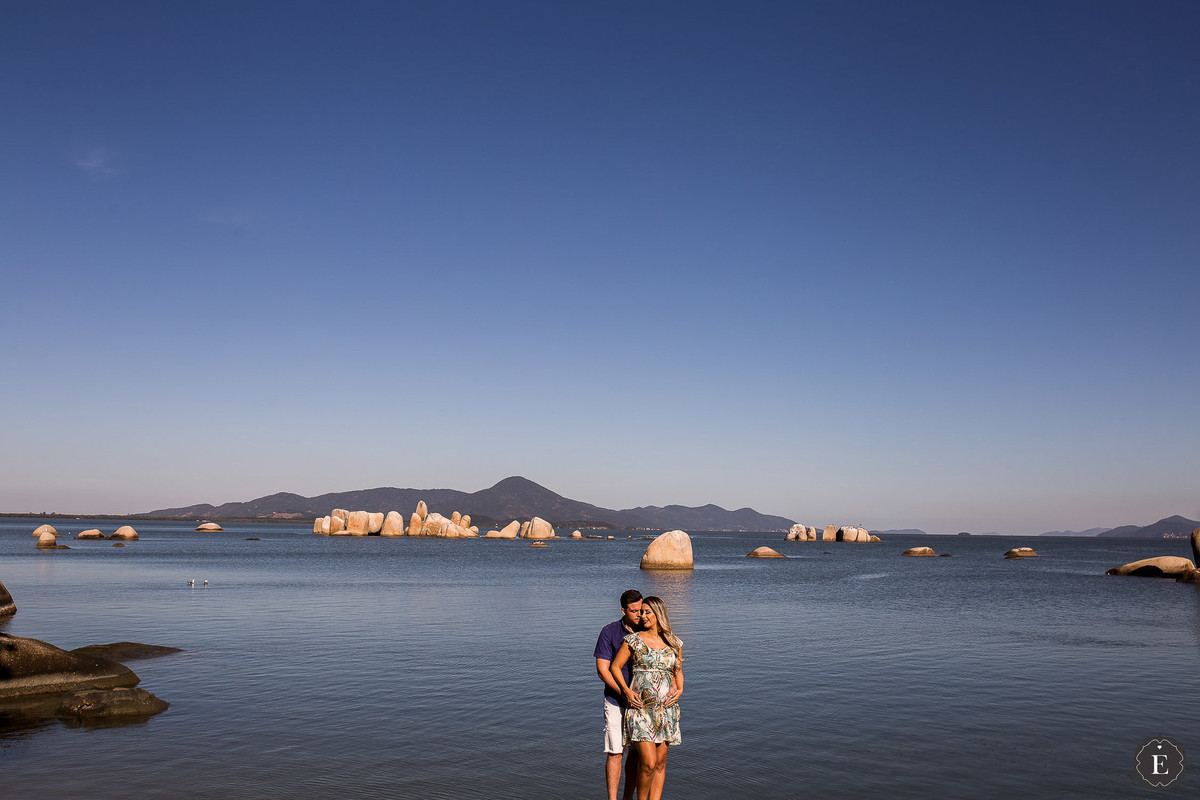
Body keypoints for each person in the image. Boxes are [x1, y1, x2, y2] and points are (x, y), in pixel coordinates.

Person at [609, 596, 682, 800]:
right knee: (648, 762)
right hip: (641, 708)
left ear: (659, 614)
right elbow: (614, 667)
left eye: (647, 612)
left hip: (666, 710)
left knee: (660, 763)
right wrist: (626, 690)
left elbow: (678, 671)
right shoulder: (633, 640)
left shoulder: (673, 642)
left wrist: (680, 690)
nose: (643, 616)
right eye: (641, 612)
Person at [594, 589, 644, 800]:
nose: (639, 615)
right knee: (615, 751)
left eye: (641, 610)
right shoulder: (610, 632)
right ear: (623, 610)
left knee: (635, 753)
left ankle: (627, 798)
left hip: (642, 703)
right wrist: (625, 692)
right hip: (615, 701)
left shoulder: (648, 629)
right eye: (633, 611)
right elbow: (602, 670)